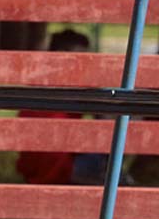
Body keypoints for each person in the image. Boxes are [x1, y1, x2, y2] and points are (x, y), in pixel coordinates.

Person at [16, 29, 108, 185]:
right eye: (80, 57)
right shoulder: (77, 82)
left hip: (30, 166)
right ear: (61, 54)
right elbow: (103, 119)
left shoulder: (37, 80)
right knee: (110, 142)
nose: (84, 63)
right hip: (60, 167)